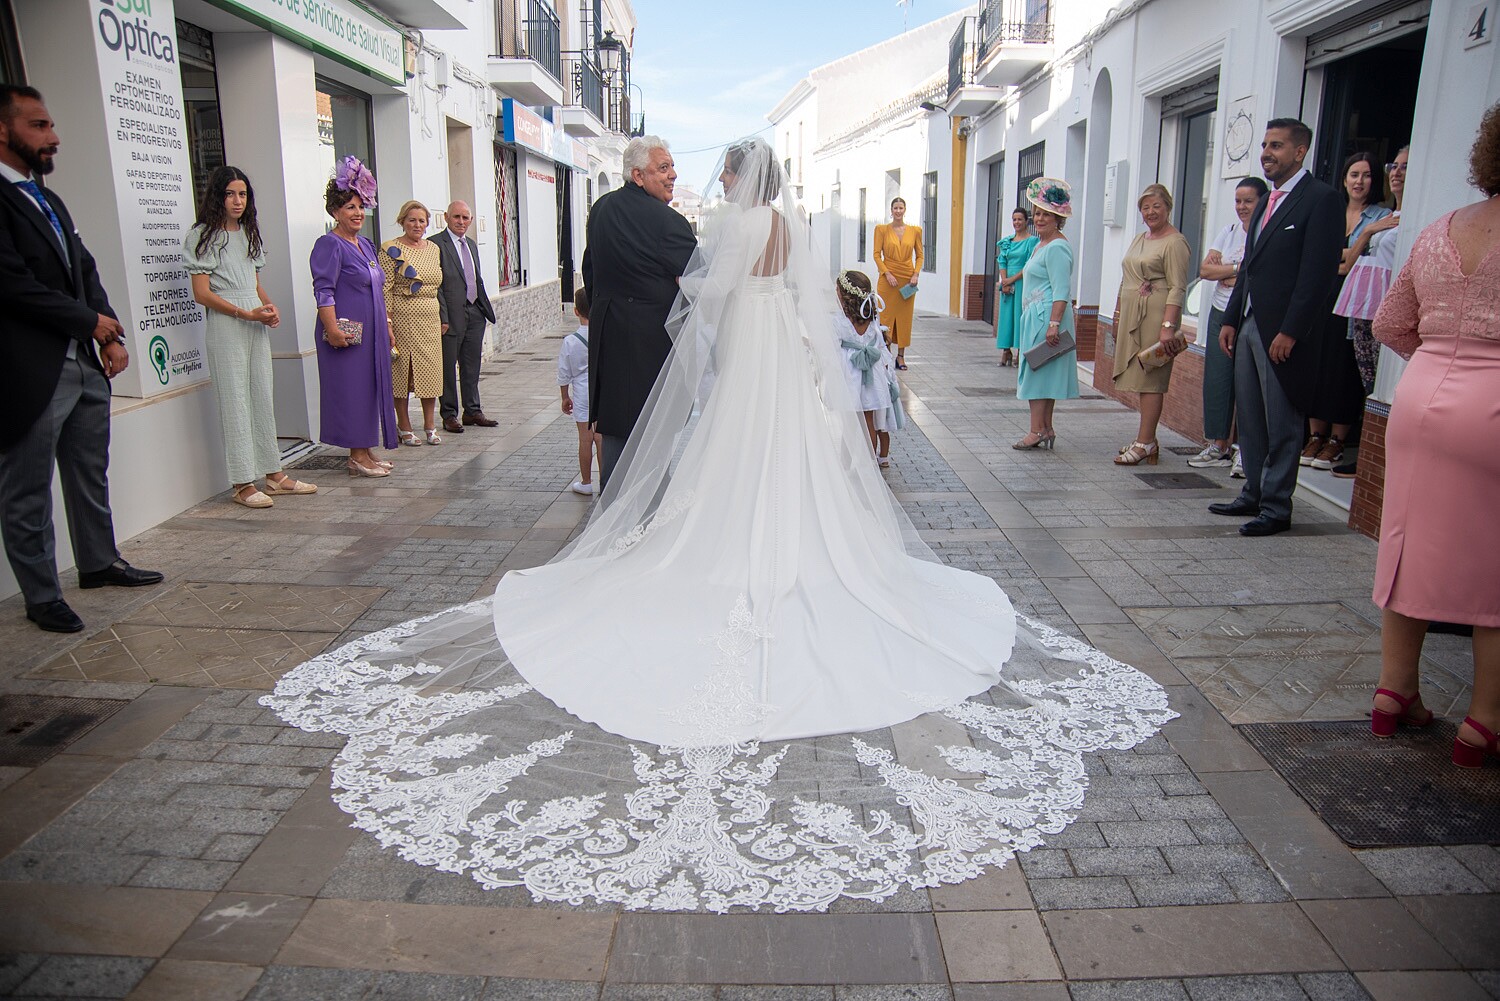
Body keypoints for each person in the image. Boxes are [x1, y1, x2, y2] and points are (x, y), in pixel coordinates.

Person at [261, 137, 1174, 914]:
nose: (717, 183)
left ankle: (718, 553)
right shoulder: (793, 227)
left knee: (727, 460)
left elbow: (708, 299)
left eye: (726, 173)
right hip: (784, 358)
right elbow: (806, 305)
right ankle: (801, 557)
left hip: (747, 356)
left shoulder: (733, 227)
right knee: (790, 461)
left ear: (740, 179)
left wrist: (701, 338)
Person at [0, 85, 162, 633]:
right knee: (27, 489)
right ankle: (41, 595)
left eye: (50, 125)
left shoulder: (47, 198)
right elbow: (13, 285)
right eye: (39, 126)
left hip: (85, 362)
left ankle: (97, 563)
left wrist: (108, 331)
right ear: (3, 129)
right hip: (30, 369)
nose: (54, 136)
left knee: (89, 470)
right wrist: (87, 322)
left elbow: (84, 269)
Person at [1369, 104, 1500, 767]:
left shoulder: (1439, 229)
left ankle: (1394, 692)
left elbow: (1389, 323)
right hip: (1492, 403)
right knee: (1494, 562)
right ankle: (1484, 722)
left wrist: (1442, 357)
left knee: (1406, 542)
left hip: (1419, 398)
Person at [1210, 118, 1344, 537]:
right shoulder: (1267, 200)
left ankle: (1276, 506)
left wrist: (1291, 330)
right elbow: (1250, 267)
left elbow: (1317, 275)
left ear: (1300, 152)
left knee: (1282, 421)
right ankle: (1252, 492)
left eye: (1277, 146)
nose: (1267, 153)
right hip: (1249, 324)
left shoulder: (1321, 199)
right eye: (1265, 145)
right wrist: (1231, 318)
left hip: (1283, 332)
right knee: (1250, 417)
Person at [184, 166, 315, 509]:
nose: (237, 200)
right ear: (218, 197)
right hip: (227, 325)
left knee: (261, 396)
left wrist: (268, 307)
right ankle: (242, 483)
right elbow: (201, 293)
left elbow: (254, 283)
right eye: (230, 194)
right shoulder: (202, 236)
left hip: (254, 322)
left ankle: (274, 474)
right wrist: (245, 313)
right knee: (235, 401)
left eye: (242, 194)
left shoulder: (248, 233)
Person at [582, 135, 697, 489]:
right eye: (663, 168)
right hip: (651, 347)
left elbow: (590, 273)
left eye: (672, 167)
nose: (673, 175)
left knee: (616, 436)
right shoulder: (668, 222)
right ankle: (645, 513)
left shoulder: (600, 210)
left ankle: (612, 508)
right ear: (637, 175)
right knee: (653, 437)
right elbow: (698, 282)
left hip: (609, 343)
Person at [1302, 152, 1391, 472]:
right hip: (1322, 300)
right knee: (1318, 366)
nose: (1359, 181)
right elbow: (1314, 255)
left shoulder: (1383, 216)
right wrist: (1352, 249)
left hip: (1356, 302)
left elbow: (1354, 263)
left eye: (1366, 175)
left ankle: (1337, 441)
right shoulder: (1331, 210)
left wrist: (1346, 251)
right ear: (1344, 179)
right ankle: (1315, 436)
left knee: (1343, 370)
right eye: (1354, 174)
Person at [310, 156, 398, 478]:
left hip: (373, 333)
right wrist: (332, 329)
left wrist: (387, 325)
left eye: (361, 206)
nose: (358, 213)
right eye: (350, 207)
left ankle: (365, 450)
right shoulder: (329, 244)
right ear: (336, 211)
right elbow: (324, 290)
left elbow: (378, 289)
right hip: (346, 334)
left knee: (370, 390)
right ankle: (356, 456)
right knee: (352, 391)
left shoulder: (365, 245)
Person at [1332, 147, 1407, 478]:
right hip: (1363, 308)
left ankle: (1378, 459)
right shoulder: (1389, 217)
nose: (1397, 172)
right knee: (1369, 381)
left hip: (1387, 309)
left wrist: (1365, 234)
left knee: (1382, 382)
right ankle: (1366, 456)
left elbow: (1349, 262)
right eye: (1395, 165)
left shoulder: (1397, 217)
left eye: (1405, 167)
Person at [1190, 176, 1268, 472]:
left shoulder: (1265, 233)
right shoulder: (1229, 232)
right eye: (1238, 201)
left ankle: (1247, 451)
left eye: (1249, 201)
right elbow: (1206, 270)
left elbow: (1259, 272)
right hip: (1220, 310)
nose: (1242, 206)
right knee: (1218, 379)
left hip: (1250, 313)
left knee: (1248, 384)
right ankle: (1218, 445)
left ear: (1263, 202)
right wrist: (1239, 268)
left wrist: (1232, 272)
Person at [1111, 184, 1192, 466]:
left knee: (1151, 380)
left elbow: (1178, 287)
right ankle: (1146, 438)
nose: (1150, 212)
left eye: (1156, 206)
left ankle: (1145, 442)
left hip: (1156, 317)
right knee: (1140, 379)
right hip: (1132, 314)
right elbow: (1126, 279)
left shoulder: (1175, 242)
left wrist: (1168, 325)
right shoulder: (1139, 238)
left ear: (1168, 207)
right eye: (1145, 207)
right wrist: (1117, 314)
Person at [1013, 178, 1079, 450]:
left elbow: (1061, 290)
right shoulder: (1041, 244)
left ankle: (1036, 430)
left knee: (1036, 372)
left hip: (1046, 317)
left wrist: (1053, 323)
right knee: (1043, 371)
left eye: (1046, 215)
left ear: (1058, 219)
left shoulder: (1057, 247)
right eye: (1037, 213)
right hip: (1037, 316)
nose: (1039, 219)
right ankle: (1046, 428)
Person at [380, 200, 447, 446]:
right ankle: (404, 426)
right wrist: (387, 322)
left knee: (431, 371)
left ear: (427, 224)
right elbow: (385, 288)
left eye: (421, 221)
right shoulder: (390, 249)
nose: (417, 225)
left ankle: (430, 425)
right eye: (412, 220)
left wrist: (444, 318)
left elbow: (439, 287)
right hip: (403, 318)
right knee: (402, 373)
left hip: (430, 318)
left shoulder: (433, 249)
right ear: (402, 222)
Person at [436, 200, 497, 434]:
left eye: (465, 218)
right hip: (451, 315)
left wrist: (482, 309)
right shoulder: (436, 244)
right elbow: (437, 285)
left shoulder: (470, 244)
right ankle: (449, 414)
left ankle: (472, 410)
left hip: (474, 312)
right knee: (448, 367)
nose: (461, 222)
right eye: (456, 217)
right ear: (446, 217)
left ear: (470, 220)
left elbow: (474, 278)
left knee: (471, 365)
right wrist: (443, 317)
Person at [834, 269, 895, 465]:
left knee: (849, 423)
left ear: (845, 295)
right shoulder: (872, 318)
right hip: (871, 372)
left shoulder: (840, 320)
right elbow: (879, 345)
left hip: (851, 374)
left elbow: (833, 347)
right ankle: (870, 464)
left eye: (837, 290)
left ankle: (845, 463)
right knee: (869, 420)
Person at [558, 286, 600, 496]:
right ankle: (606, 481)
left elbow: (564, 373)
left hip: (582, 393)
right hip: (601, 390)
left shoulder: (570, 341)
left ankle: (586, 482)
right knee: (600, 438)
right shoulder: (603, 335)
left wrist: (565, 396)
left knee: (585, 438)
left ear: (576, 311)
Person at [873, 197, 923, 370]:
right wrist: (886, 273)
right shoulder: (882, 230)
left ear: (905, 210)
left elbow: (920, 255)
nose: (898, 211)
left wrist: (916, 274)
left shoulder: (915, 231)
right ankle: (886, 354)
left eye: (901, 208)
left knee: (904, 318)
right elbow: (876, 254)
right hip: (888, 279)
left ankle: (901, 356)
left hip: (908, 280)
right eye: (895, 208)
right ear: (891, 210)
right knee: (885, 317)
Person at [995, 208, 1037, 367]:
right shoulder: (1007, 241)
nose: (1017, 222)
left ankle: (1020, 351)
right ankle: (1006, 350)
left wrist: (1012, 280)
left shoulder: (1032, 242)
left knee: (1020, 315)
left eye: (1020, 219)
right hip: (1007, 282)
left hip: (1022, 282)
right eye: (1014, 219)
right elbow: (1002, 261)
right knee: (1006, 316)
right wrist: (1004, 281)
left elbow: (1028, 265)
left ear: (1026, 221)